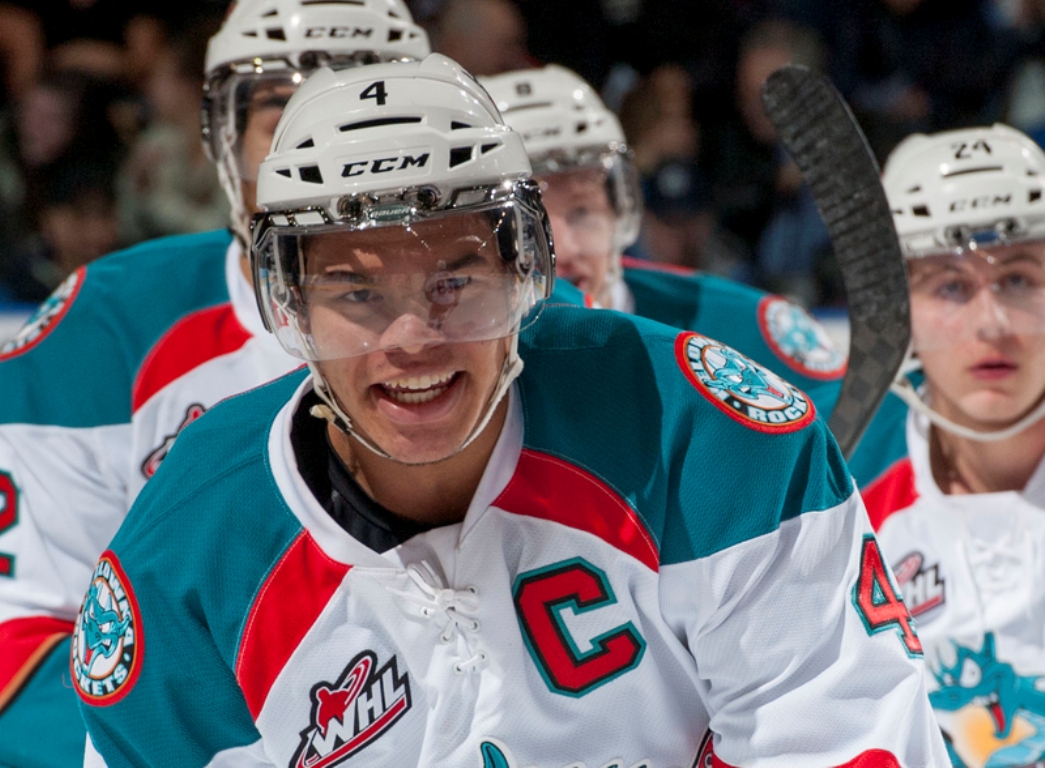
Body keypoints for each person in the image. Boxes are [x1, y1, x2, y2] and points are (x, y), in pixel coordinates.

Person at [75, 53, 947, 768]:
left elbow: (847, 736)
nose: (413, 337)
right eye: (355, 292)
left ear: (527, 274)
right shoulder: (186, 555)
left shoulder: (707, 441)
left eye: (455, 281)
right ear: (289, 308)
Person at [0, 2, 431, 766]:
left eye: (360, 116)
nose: (322, 156)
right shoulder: (103, 333)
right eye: (281, 119)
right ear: (224, 147)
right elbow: (23, 632)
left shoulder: (514, 335)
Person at [479, 64, 847, 410]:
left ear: (619, 211)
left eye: (582, 212)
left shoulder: (748, 331)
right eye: (524, 225)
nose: (563, 250)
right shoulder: (454, 373)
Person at [862, 123, 1045, 768]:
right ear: (894, 306)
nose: (991, 323)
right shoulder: (844, 511)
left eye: (1019, 279)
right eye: (950, 285)